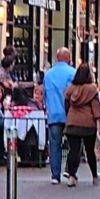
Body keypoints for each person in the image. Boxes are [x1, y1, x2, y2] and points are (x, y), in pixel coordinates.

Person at [62, 65, 100, 186]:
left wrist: (69, 116)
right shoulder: (92, 89)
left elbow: (67, 105)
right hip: (88, 123)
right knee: (90, 151)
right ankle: (95, 176)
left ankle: (72, 176)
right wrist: (99, 120)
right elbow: (95, 107)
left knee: (74, 150)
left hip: (73, 122)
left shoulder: (71, 89)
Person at [41, 47, 75, 187]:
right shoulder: (72, 73)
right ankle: (70, 170)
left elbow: (44, 95)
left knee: (54, 145)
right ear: (68, 58)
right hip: (70, 114)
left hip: (54, 113)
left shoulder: (48, 75)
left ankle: (55, 175)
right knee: (74, 144)